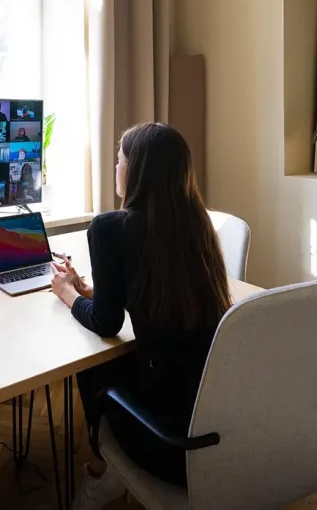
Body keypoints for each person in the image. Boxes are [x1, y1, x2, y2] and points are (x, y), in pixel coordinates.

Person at [49, 123, 231, 507]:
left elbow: (106, 323)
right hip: (224, 426)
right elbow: (158, 288)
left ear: (136, 171)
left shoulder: (111, 227)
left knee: (89, 359)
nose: (116, 167)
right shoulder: (195, 223)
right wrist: (90, 290)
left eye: (119, 160)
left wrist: (66, 293)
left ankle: (103, 470)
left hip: (169, 444)